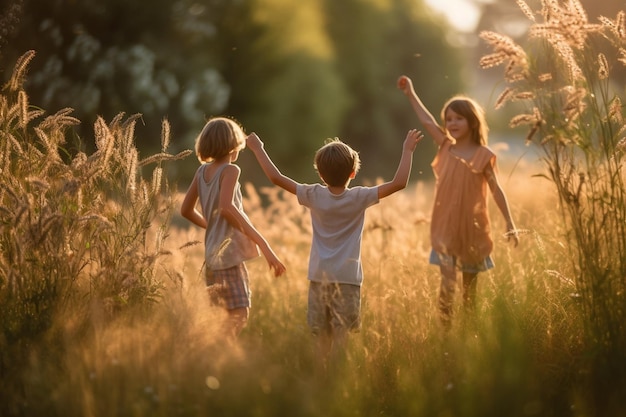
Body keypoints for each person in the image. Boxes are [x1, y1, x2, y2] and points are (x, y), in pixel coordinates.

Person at [246, 129, 423, 369]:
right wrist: (407, 150)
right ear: (352, 173)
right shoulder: (359, 197)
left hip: (319, 276)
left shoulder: (313, 194)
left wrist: (258, 149)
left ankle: (321, 378)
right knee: (342, 335)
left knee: (321, 336)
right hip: (348, 279)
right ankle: (337, 380)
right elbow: (400, 183)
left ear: (319, 173)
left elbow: (276, 178)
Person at [397, 75, 519, 327]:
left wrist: (509, 221)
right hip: (446, 229)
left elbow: (496, 190)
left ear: (472, 122)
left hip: (471, 231)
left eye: (458, 118)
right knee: (447, 285)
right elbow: (427, 121)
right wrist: (411, 93)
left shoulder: (484, 156)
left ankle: (468, 336)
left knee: (469, 294)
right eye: (449, 119)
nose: (452, 123)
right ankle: (446, 336)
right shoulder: (446, 147)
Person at [180, 116, 286, 341]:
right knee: (239, 314)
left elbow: (186, 210)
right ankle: (218, 353)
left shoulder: (201, 173)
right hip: (228, 257)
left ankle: (214, 359)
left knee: (220, 316)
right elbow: (227, 208)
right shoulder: (230, 171)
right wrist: (264, 245)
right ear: (233, 144)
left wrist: (211, 223)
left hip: (211, 257)